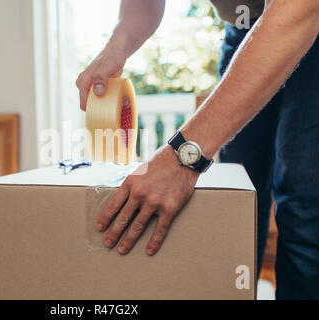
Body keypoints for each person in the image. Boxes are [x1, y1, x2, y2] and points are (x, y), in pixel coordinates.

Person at [76, 0, 319, 299]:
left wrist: (183, 157)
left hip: (303, 13)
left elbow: (299, 8)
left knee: (304, 205)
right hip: (244, 28)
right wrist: (115, 47)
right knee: (241, 199)